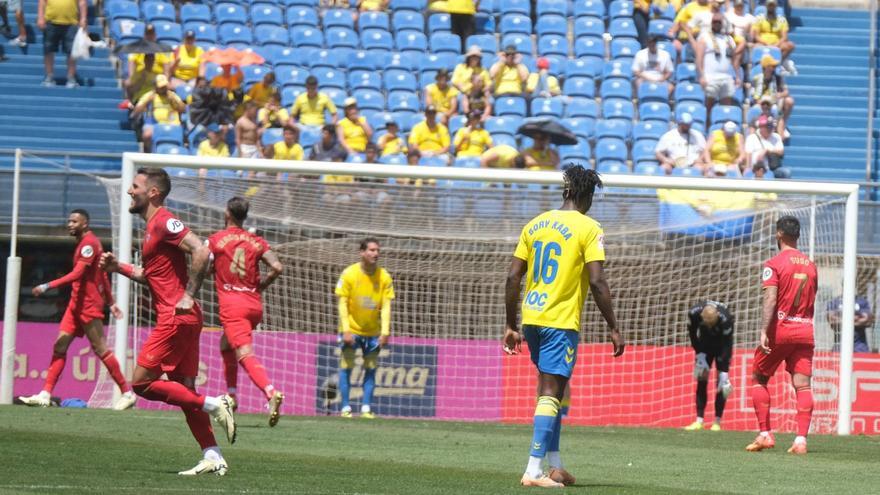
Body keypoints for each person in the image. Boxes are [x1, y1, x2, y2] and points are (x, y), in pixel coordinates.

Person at [99, 167, 236, 475]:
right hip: (183, 317)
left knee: (142, 383)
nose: (129, 191)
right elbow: (152, 277)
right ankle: (212, 455)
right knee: (183, 387)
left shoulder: (163, 221)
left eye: (135, 186)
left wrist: (188, 295)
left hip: (176, 316)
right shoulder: (151, 230)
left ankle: (215, 404)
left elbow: (202, 250)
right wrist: (116, 266)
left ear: (153, 193)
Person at [503, 165, 624, 488]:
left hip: (531, 318)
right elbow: (597, 281)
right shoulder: (588, 227)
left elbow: (514, 276)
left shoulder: (535, 224)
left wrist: (510, 325)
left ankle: (554, 464)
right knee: (552, 391)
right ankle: (533, 470)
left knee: (551, 389)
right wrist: (613, 326)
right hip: (560, 320)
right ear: (584, 195)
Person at [18, 209, 135, 410]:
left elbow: (78, 274)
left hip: (89, 305)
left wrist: (47, 286)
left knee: (100, 349)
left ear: (85, 224)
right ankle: (45, 394)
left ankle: (127, 392)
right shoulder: (82, 242)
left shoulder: (89, 244)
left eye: (74, 221)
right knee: (59, 347)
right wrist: (112, 302)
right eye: (69, 221)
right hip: (75, 305)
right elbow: (102, 275)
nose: (70, 224)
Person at [208, 197, 285, 425]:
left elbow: (202, 260)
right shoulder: (256, 241)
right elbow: (277, 267)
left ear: (227, 213)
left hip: (233, 305)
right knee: (225, 344)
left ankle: (270, 392)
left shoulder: (217, 240)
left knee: (244, 353)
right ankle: (231, 396)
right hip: (253, 304)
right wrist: (262, 285)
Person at [746, 216, 817, 455]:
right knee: (803, 385)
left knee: (759, 377)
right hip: (805, 330)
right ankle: (800, 441)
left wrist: (765, 330)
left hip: (782, 329)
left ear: (778, 234)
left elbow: (770, 298)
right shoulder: (811, 265)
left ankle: (765, 434)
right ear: (797, 235)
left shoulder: (774, 263)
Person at [335, 238, 395, 418]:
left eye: (377, 250)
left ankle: (366, 408)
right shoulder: (349, 274)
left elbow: (386, 306)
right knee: (346, 366)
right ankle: (345, 408)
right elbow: (342, 303)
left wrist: (385, 332)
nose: (375, 253)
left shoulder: (384, 276)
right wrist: (346, 329)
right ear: (362, 252)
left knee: (371, 368)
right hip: (351, 330)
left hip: (373, 333)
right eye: (371, 250)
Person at [683, 300, 734, 431]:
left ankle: (717, 421)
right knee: (701, 380)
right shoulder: (694, 313)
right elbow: (693, 334)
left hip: (722, 347)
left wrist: (724, 370)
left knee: (722, 385)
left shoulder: (726, 318)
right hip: (704, 345)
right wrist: (699, 353)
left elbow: (727, 344)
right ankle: (699, 420)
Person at [695, 12, 742, 116]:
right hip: (710, 77)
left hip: (727, 77)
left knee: (726, 108)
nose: (716, 24)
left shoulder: (728, 39)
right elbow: (699, 59)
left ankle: (722, 126)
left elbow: (734, 60)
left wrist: (738, 76)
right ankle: (707, 128)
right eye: (714, 22)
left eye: (718, 22)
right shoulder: (704, 37)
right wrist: (701, 76)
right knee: (709, 107)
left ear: (722, 23)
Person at [38, 0, 86, 87]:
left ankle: (71, 78)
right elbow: (42, 1)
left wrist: (83, 18)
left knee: (71, 52)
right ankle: (49, 77)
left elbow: (82, 2)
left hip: (71, 23)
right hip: (51, 21)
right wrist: (40, 17)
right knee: (48, 50)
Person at [132, 74, 186, 153]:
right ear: (155, 86)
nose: (163, 88)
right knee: (147, 135)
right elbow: (136, 111)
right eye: (161, 87)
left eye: (165, 86)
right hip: (153, 124)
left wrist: (174, 102)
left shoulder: (172, 95)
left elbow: (183, 110)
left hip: (172, 123)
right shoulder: (150, 95)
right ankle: (147, 156)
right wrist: (147, 102)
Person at [751, 55, 794, 137]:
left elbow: (786, 92)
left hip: (774, 101)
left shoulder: (778, 78)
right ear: (766, 67)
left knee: (789, 101)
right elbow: (753, 95)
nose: (774, 68)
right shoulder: (757, 79)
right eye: (772, 66)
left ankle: (782, 127)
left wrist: (779, 95)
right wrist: (760, 102)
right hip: (762, 102)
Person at [752, 0, 796, 74]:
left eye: (773, 6)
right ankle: (758, 68)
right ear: (766, 6)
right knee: (755, 47)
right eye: (770, 5)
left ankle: (778, 63)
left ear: (775, 7)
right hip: (763, 44)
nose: (771, 7)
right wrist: (765, 43)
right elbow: (755, 35)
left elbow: (784, 37)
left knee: (790, 45)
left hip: (777, 44)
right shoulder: (759, 18)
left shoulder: (781, 20)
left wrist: (777, 44)